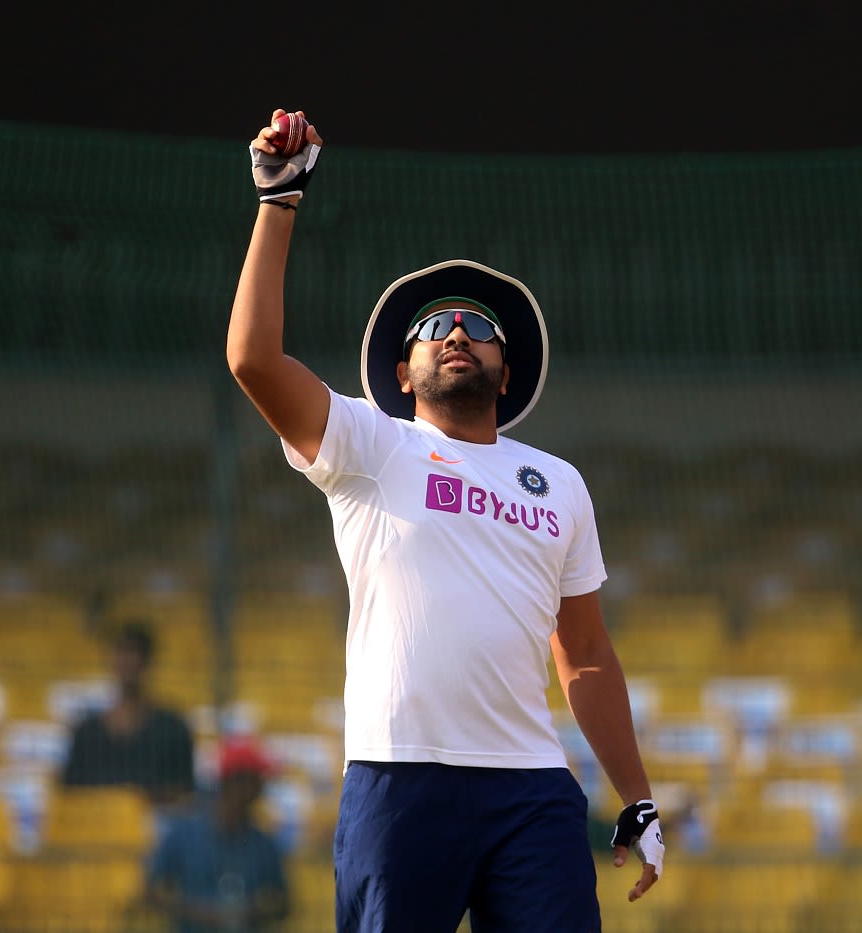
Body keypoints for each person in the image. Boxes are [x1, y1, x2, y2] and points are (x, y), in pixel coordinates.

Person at [227, 109, 663, 932]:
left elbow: (589, 657)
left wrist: (637, 796)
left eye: (478, 326)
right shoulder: (370, 441)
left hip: (532, 788)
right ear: (403, 369)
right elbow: (252, 359)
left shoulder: (559, 483)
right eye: (435, 326)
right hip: (400, 779)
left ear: (506, 370)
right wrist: (278, 202)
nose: (458, 332)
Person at [146, 738, 290, 933]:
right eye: (256, 780)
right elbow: (152, 892)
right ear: (234, 782)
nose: (260, 789)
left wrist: (249, 911)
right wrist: (198, 912)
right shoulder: (184, 833)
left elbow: (282, 903)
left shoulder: (264, 843)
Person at [60, 620, 195, 806]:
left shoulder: (173, 728)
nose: (127, 661)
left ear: (147, 661)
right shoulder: (86, 731)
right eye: (120, 652)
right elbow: (71, 794)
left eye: (134, 652)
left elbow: (184, 794)